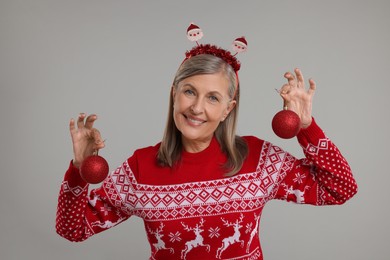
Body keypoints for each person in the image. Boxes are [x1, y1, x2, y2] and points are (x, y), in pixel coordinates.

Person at [56, 25, 357, 260]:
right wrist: (78, 170)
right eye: (189, 91)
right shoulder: (140, 169)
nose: (197, 108)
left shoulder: (258, 159)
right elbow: (73, 229)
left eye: (213, 97)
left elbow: (340, 188)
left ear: (228, 108)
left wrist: (306, 126)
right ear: (174, 94)